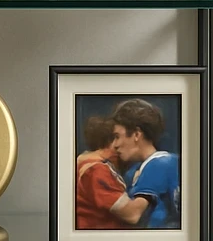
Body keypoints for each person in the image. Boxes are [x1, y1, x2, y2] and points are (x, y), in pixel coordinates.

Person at [110, 98, 181, 228]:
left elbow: (133, 214)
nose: (115, 145)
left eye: (117, 137)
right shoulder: (135, 170)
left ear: (137, 134)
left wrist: (99, 192)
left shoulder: (160, 164)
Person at [75, 113, 152, 229]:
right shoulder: (96, 170)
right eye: (117, 138)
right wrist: (149, 190)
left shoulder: (83, 163)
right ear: (112, 143)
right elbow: (131, 214)